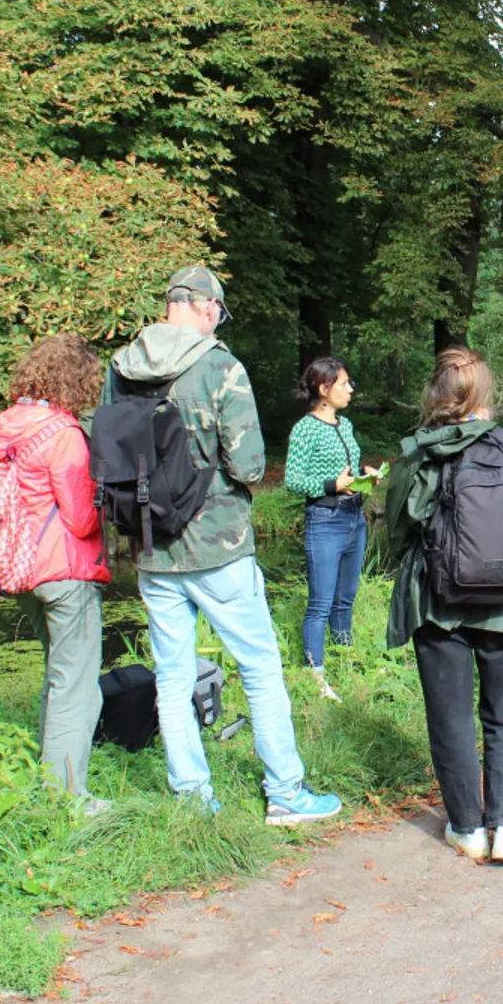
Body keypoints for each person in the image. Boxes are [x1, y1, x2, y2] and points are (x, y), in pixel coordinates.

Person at [104, 265, 341, 825]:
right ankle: (285, 792)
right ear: (206, 306)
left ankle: (192, 797)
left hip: (151, 546)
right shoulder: (219, 366)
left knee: (172, 674)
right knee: (259, 667)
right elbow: (251, 465)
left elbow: (111, 451)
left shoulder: (121, 367)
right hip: (219, 545)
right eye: (220, 310)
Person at [384, 348, 503, 863]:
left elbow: (396, 530)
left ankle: (467, 827)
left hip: (437, 603)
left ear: (437, 394)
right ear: (482, 394)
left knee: (451, 716)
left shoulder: (418, 450)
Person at [0, 334, 111, 810]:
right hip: (65, 572)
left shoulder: (0, 430)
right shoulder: (63, 435)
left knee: (59, 676)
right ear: (78, 381)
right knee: (76, 686)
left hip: (20, 570)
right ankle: (67, 798)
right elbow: (79, 518)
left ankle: (50, 781)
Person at [284, 357, 371, 702]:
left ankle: (344, 658)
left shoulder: (345, 425)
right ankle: (315, 674)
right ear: (324, 389)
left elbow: (346, 468)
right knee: (320, 602)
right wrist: (332, 485)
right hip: (325, 520)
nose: (350, 389)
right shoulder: (305, 429)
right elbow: (292, 480)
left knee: (346, 597)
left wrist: (364, 476)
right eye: (344, 383)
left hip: (355, 518)